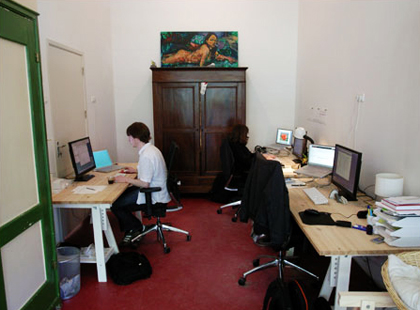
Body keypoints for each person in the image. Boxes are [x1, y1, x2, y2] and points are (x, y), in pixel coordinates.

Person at [111, 122, 171, 247]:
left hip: (152, 194)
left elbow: (145, 184)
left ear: (136, 138)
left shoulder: (146, 156)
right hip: (157, 189)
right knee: (121, 197)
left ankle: (136, 227)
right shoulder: (151, 149)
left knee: (116, 204)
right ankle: (133, 228)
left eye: (130, 137)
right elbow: (151, 171)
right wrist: (137, 171)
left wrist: (125, 179)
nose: (129, 140)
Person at [162, 32, 236, 67]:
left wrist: (228, 58)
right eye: (212, 40)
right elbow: (201, 66)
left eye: (215, 40)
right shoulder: (205, 49)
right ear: (207, 41)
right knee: (164, 62)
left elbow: (217, 55)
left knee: (166, 57)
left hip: (184, 54)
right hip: (183, 56)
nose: (214, 42)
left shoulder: (211, 49)